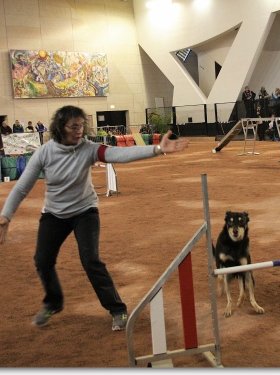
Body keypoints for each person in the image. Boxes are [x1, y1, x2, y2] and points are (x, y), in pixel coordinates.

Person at [0, 105, 189, 331]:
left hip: (84, 212)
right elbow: (22, 187)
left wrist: (157, 149)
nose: (79, 131)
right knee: (42, 261)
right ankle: (53, 302)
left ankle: (117, 309)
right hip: (54, 214)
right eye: (73, 126)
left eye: (81, 126)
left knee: (91, 260)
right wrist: (5, 216)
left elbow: (117, 154)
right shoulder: (44, 152)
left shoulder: (89, 149)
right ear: (60, 127)